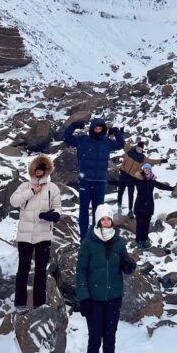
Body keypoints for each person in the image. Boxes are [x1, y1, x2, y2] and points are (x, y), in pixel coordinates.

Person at [76, 203, 136, 353]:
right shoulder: (88, 242)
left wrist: (129, 265)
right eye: (103, 219)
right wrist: (84, 297)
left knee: (110, 339)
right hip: (94, 300)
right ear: (98, 220)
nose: (106, 222)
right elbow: (81, 272)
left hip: (114, 298)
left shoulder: (119, 242)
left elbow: (125, 263)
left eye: (108, 219)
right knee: (95, 339)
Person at [10, 155, 62, 311]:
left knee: (41, 271)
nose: (39, 172)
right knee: (23, 270)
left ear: (47, 170)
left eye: (42, 169)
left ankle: (40, 304)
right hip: (25, 236)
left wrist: (53, 215)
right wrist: (32, 191)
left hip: (44, 235)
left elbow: (58, 207)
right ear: (32, 170)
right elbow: (13, 201)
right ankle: (20, 303)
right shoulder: (24, 186)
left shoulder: (53, 188)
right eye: (37, 169)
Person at [58, 117, 125, 238]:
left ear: (103, 130)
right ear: (92, 129)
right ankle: (84, 237)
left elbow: (120, 144)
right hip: (85, 181)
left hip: (100, 182)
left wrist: (117, 133)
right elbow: (67, 137)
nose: (98, 130)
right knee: (83, 210)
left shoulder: (107, 142)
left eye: (100, 128)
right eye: (96, 128)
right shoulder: (83, 140)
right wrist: (74, 125)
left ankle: (96, 236)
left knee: (98, 211)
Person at [134, 163, 175, 249]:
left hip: (149, 206)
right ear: (143, 170)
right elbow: (127, 183)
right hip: (140, 205)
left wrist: (172, 188)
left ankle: (145, 240)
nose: (147, 170)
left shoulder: (152, 181)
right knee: (140, 224)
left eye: (149, 169)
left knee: (146, 224)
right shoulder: (138, 179)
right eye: (146, 169)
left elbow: (161, 186)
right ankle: (139, 241)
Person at [117, 139, 162, 215]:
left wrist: (161, 161)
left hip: (132, 178)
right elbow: (124, 145)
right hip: (123, 175)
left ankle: (130, 211)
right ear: (136, 147)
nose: (139, 149)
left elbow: (151, 161)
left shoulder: (142, 157)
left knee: (130, 194)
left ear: (142, 149)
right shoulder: (130, 151)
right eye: (138, 147)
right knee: (120, 192)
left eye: (141, 148)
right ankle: (119, 208)